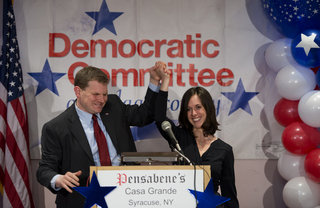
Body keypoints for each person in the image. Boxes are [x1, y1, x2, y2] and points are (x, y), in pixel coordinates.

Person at [36, 62, 168, 208]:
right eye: (95, 94)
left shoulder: (114, 105)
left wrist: (155, 82)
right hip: (83, 200)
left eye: (104, 94)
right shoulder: (56, 128)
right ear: (78, 92)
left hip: (125, 195)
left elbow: (145, 115)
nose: (101, 100)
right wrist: (58, 179)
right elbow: (44, 169)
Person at [154, 65, 239, 208]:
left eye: (198, 107)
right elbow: (159, 118)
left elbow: (229, 195)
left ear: (208, 108)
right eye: (189, 109)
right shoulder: (178, 138)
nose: (194, 113)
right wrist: (165, 80)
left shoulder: (224, 150)